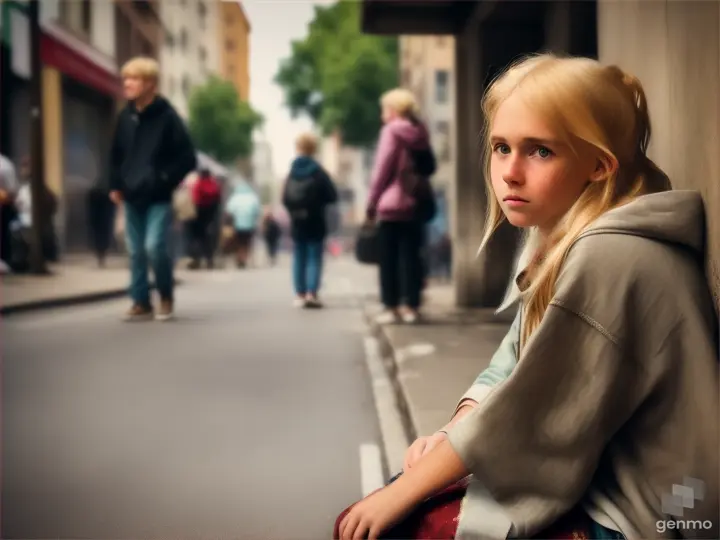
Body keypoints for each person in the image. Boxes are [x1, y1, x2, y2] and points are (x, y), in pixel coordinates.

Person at [335, 54, 719, 540]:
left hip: (652, 515)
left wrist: (406, 489)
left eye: (540, 151)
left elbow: (525, 414)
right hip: (603, 482)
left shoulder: (611, 255)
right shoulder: (564, 232)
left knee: (393, 519)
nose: (510, 173)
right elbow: (511, 361)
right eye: (501, 147)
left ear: (600, 165)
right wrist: (451, 434)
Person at [108, 57, 197, 322]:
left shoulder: (168, 117)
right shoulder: (125, 116)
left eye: (133, 79)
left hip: (158, 195)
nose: (127, 84)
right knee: (135, 250)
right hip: (131, 193)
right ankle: (140, 301)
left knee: (154, 246)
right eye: (125, 79)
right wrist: (114, 184)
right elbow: (115, 154)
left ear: (150, 84)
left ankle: (166, 295)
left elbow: (188, 158)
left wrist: (164, 178)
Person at [366, 88, 435, 326]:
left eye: (384, 109)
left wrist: (372, 201)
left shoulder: (391, 131)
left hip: (392, 204)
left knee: (389, 259)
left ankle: (392, 306)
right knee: (412, 256)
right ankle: (411, 307)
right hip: (415, 202)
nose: (382, 114)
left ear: (393, 110)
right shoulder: (420, 131)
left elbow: (383, 169)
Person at [282, 132, 338, 309]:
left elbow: (285, 198)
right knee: (314, 256)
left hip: (297, 220)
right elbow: (332, 196)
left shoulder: (291, 171)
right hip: (316, 220)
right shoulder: (319, 172)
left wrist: (294, 210)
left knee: (299, 256)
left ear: (298, 148)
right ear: (314, 149)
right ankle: (312, 293)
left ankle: (299, 294)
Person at [187, 167, 221, 270]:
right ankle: (209, 259)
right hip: (211, 215)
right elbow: (218, 199)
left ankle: (195, 259)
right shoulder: (214, 184)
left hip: (198, 215)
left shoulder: (198, 184)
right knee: (208, 238)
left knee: (196, 237)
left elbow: (194, 199)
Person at [224, 178, 261, 269]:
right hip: (249, 225)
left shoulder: (234, 197)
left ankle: (240, 258)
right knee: (246, 243)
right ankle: (244, 258)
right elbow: (257, 211)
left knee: (238, 242)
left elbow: (228, 211)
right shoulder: (253, 197)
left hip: (237, 225)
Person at [87, 181, 116, 268]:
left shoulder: (93, 194)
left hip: (98, 220)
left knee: (98, 238)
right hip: (104, 220)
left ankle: (100, 256)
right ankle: (101, 255)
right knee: (103, 239)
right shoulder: (107, 194)